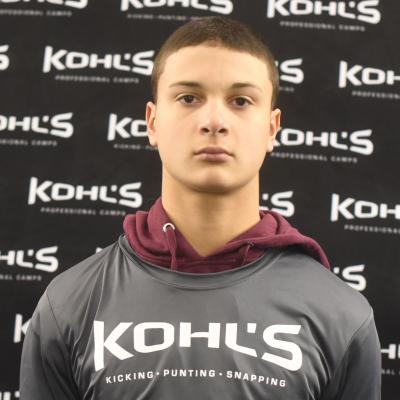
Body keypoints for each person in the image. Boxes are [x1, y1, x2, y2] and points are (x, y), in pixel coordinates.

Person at [20, 16, 381, 400]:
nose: (214, 121)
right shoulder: (69, 305)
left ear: (272, 128)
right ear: (152, 122)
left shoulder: (340, 315)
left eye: (241, 101)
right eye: (189, 98)